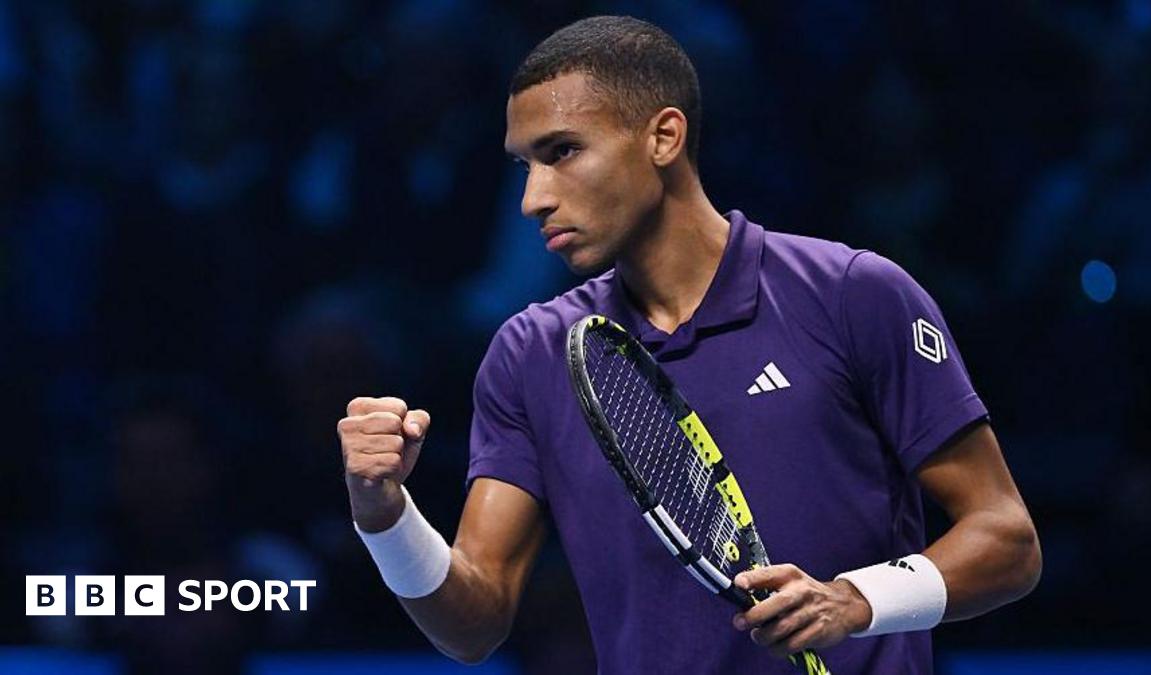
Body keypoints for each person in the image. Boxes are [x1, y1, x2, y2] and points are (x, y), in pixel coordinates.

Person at [336, 15, 1041, 674]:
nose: (534, 199)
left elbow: (1007, 538)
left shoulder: (853, 295)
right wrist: (384, 515)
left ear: (663, 137)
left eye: (563, 153)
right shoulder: (532, 354)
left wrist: (855, 600)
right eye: (526, 166)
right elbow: (473, 622)